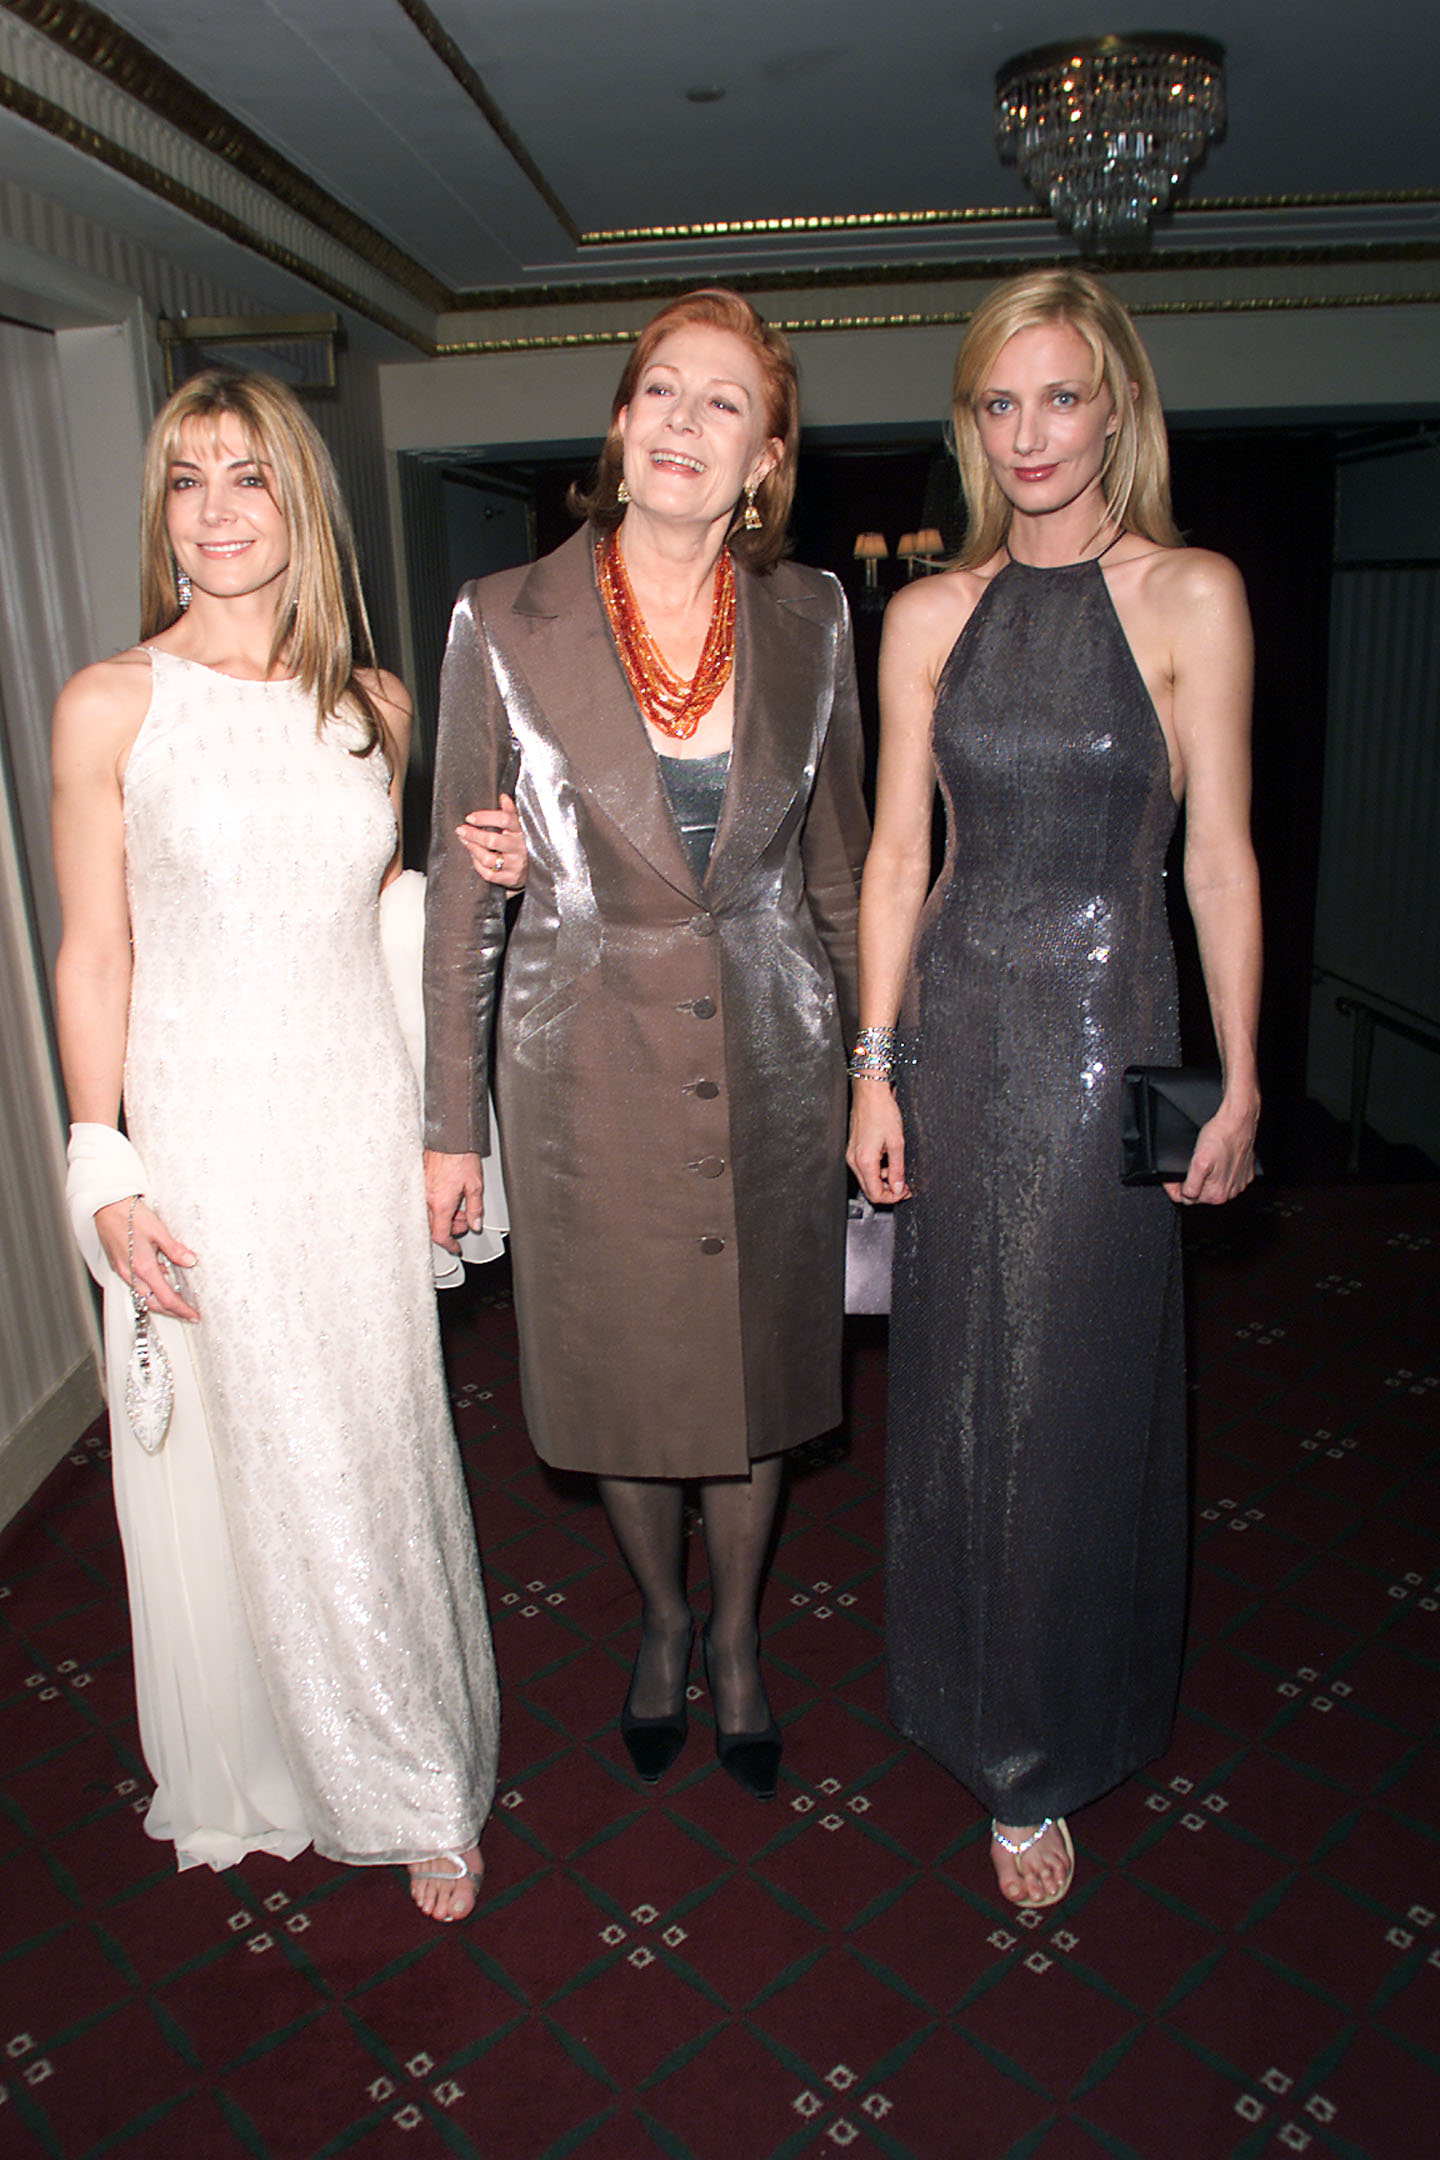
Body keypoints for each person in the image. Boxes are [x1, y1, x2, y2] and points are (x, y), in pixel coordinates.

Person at [51, 370, 499, 1921]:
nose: (219, 509)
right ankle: (371, 1775)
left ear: (299, 501)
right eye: (188, 480)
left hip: (353, 1113)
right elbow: (93, 952)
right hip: (211, 1125)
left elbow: (384, 921)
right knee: (268, 1458)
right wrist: (99, 1160)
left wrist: (469, 898)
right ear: (163, 513)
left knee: (377, 1440)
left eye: (249, 476)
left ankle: (396, 1749)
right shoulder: (114, 700)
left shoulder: (374, 704)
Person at [848, 269, 1260, 1907]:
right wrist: (873, 1072)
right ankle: (971, 1700)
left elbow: (1218, 862)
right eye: (999, 404)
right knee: (957, 1386)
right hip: (955, 1034)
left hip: (1118, 1033)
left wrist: (1232, 1086)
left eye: (1061, 397)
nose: (1031, 434)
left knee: (1082, 1392)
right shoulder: (928, 617)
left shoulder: (1193, 595)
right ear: (974, 423)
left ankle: (1050, 1731)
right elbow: (893, 858)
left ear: (1116, 408)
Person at [424, 288, 869, 1800]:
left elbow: (841, 874)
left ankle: (739, 1632)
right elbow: (453, 904)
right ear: (620, 427)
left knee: (748, 1389)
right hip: (577, 1077)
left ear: (766, 456)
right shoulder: (502, 617)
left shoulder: (814, 619)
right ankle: (665, 1616)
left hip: (774, 1064)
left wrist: (878, 1070)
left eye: (723, 402)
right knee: (618, 1380)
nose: (685, 423)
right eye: (660, 393)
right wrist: (447, 1125)